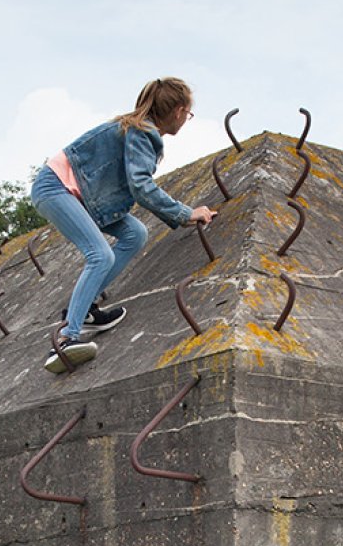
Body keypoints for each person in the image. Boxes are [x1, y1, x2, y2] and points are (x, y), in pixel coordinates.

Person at [31, 77, 218, 374]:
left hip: (80, 193)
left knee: (135, 233)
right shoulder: (142, 133)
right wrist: (185, 213)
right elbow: (141, 186)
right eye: (189, 114)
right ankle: (66, 338)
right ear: (180, 111)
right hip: (56, 188)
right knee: (100, 254)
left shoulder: (138, 129)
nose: (186, 120)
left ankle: (86, 310)